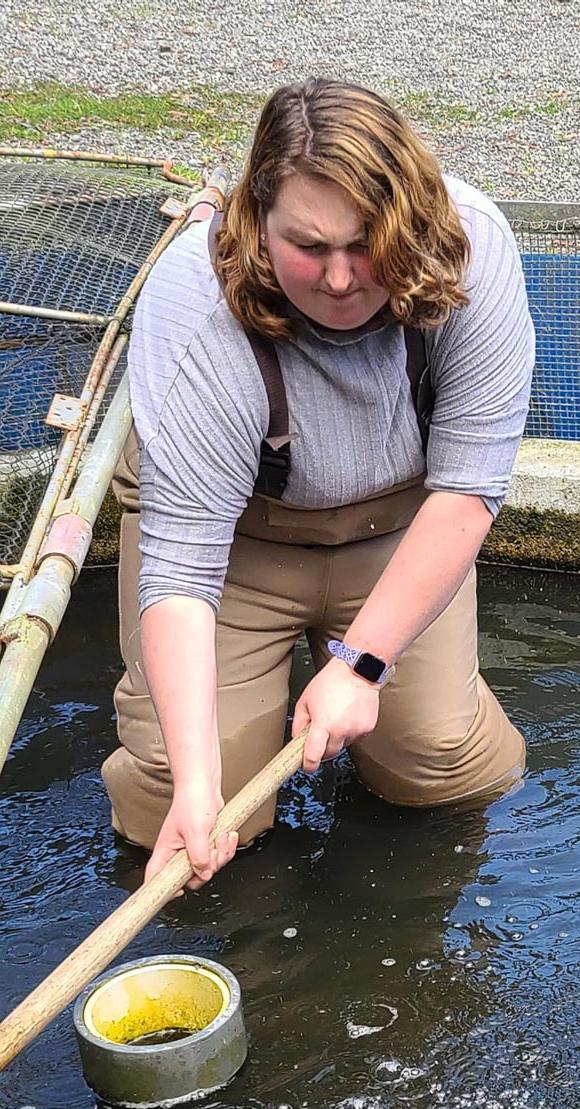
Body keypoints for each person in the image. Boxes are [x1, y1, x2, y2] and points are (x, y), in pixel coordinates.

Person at [102, 79, 535, 887]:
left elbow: (469, 489)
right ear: (256, 225)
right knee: (193, 803)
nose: (340, 279)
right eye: (309, 246)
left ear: (411, 220)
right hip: (235, 548)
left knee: (443, 765)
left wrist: (360, 665)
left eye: (364, 244)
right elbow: (182, 570)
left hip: (399, 531)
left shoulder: (473, 250)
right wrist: (199, 787)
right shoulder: (193, 307)